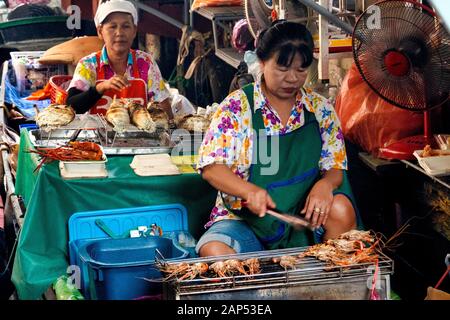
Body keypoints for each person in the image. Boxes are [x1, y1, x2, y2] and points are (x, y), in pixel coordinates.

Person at [196, 21, 359, 257]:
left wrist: (326, 184)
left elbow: (334, 166)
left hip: (301, 219)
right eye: (282, 68)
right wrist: (248, 190)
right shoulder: (236, 108)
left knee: (342, 210)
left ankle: (319, 285)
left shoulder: (320, 109)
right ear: (262, 62)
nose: (292, 78)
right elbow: (211, 168)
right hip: (245, 223)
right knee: (215, 251)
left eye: (301, 70)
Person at [66, 0, 173, 119]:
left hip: (140, 136)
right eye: (112, 27)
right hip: (98, 137)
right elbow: (71, 106)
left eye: (126, 26)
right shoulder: (88, 65)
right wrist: (101, 87)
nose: (119, 33)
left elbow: (163, 106)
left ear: (134, 31)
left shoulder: (145, 62)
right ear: (100, 31)